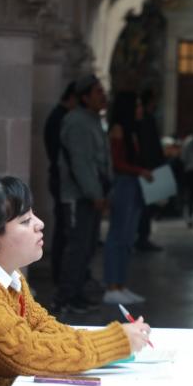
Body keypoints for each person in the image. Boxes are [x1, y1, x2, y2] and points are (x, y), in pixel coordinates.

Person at [0, 176, 151, 386]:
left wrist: (116, 338)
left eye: (33, 215)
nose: (40, 224)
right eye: (25, 221)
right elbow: (22, 353)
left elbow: (46, 329)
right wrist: (114, 342)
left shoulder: (8, 276)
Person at [52, 74, 111, 314]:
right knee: (76, 248)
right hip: (79, 196)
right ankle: (64, 297)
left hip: (91, 195)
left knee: (86, 247)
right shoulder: (76, 121)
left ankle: (76, 293)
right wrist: (94, 193)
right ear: (85, 97)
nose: (103, 96)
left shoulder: (92, 119)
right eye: (98, 92)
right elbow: (81, 162)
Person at [103, 93, 152, 305]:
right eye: (138, 105)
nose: (141, 109)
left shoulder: (133, 131)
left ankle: (120, 284)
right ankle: (112, 285)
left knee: (127, 237)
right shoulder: (118, 130)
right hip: (124, 183)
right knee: (118, 236)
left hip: (133, 183)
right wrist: (140, 171)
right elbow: (118, 162)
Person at [43, 81, 77, 284]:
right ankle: (61, 277)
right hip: (62, 180)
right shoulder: (61, 118)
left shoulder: (61, 116)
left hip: (60, 178)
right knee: (64, 231)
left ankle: (62, 276)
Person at [135, 88, 165, 252]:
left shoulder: (147, 119)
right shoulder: (145, 120)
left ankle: (142, 236)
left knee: (149, 204)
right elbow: (149, 145)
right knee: (146, 205)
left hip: (149, 167)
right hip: (147, 168)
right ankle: (141, 237)